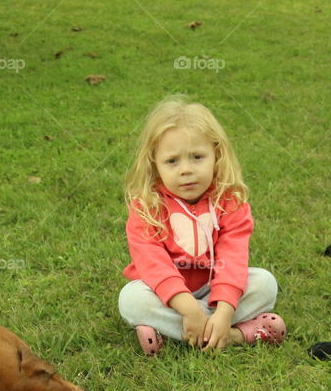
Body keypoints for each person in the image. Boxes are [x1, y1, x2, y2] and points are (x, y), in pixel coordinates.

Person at [118, 95, 285, 356]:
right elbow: (152, 263)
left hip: (214, 288)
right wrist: (188, 308)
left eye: (197, 157)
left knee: (264, 283)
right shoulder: (146, 206)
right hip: (166, 295)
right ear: (155, 165)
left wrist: (225, 309)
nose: (186, 170)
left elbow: (233, 257)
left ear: (216, 156)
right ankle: (236, 334)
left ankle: (190, 331)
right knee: (131, 299)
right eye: (172, 161)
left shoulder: (230, 201)